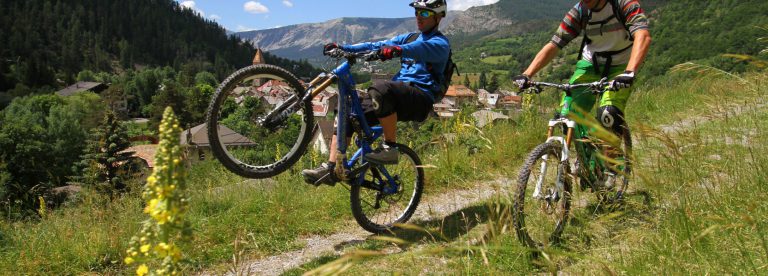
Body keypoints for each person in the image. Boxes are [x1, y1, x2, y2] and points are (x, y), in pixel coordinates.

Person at [302, 0, 451, 186]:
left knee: (380, 88)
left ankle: (390, 147)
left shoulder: (440, 43)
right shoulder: (411, 37)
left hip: (420, 97)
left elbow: (417, 50)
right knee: (346, 113)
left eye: (426, 13)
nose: (419, 17)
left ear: (438, 17)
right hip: (397, 95)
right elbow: (377, 44)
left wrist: (396, 50)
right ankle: (333, 168)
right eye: (417, 12)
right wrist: (343, 48)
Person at [512, 0, 651, 171]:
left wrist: (630, 71)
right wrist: (527, 74)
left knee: (609, 114)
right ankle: (585, 152)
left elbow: (642, 35)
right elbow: (555, 44)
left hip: (622, 65)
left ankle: (611, 167)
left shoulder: (624, 3)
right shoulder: (580, 11)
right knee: (567, 110)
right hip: (590, 64)